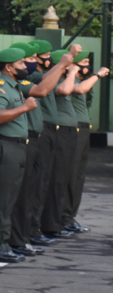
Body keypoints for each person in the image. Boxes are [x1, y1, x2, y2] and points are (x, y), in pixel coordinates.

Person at [8, 40, 69, 254]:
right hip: (28, 139)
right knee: (26, 191)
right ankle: (21, 235)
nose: (31, 64)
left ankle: (28, 232)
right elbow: (42, 88)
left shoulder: (28, 78)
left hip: (41, 134)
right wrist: (61, 65)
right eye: (29, 60)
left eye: (35, 59)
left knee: (37, 187)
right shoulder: (26, 80)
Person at [0, 47, 37, 262]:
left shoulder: (15, 88)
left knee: (9, 198)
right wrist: (24, 108)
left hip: (16, 147)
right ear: (9, 67)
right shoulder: (0, 89)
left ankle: (3, 242)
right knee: (1, 199)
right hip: (4, 146)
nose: (25, 67)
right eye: (21, 64)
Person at [38, 49, 81, 241]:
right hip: (58, 131)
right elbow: (64, 90)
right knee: (55, 179)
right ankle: (50, 224)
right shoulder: (54, 79)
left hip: (67, 132)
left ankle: (57, 221)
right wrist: (70, 72)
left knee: (63, 178)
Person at [64, 53, 104, 232]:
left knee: (78, 175)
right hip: (75, 128)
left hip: (83, 128)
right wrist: (97, 75)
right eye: (84, 62)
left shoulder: (80, 79)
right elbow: (79, 89)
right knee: (71, 174)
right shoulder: (68, 80)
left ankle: (70, 216)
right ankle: (64, 216)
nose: (87, 65)